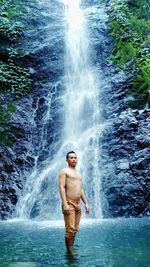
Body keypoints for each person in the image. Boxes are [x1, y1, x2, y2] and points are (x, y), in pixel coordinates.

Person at [59, 151, 90, 255]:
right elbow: (62, 187)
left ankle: (70, 247)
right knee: (70, 230)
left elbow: (80, 190)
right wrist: (65, 203)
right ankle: (70, 250)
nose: (74, 159)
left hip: (78, 204)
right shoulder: (64, 171)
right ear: (67, 160)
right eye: (71, 158)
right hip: (69, 203)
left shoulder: (78, 174)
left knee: (75, 229)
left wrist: (86, 203)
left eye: (75, 158)